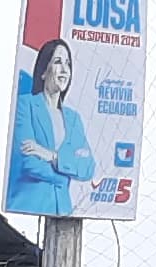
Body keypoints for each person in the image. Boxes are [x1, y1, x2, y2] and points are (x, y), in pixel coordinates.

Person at [7, 39, 94, 218]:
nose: (64, 69)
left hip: (63, 210)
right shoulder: (25, 105)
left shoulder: (73, 119)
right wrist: (65, 176)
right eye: (58, 62)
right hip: (29, 207)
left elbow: (87, 167)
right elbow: (29, 162)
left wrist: (52, 156)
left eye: (68, 64)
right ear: (43, 71)